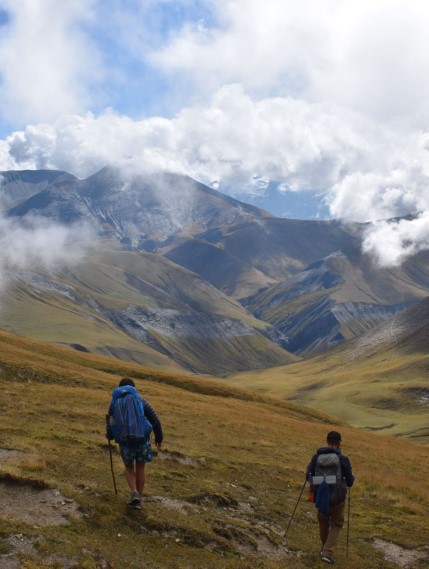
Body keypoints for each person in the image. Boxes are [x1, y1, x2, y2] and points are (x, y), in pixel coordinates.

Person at [106, 377, 163, 509]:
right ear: (134, 388)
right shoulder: (140, 400)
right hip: (142, 440)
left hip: (125, 443)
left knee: (129, 467)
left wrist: (109, 435)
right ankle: (139, 501)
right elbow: (155, 419)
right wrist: (159, 438)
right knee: (141, 467)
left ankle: (134, 492)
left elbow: (111, 422)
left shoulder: (114, 402)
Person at [306, 431, 354, 564]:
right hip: (337, 498)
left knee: (323, 521)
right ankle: (327, 553)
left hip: (321, 496)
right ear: (339, 443)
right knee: (337, 523)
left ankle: (324, 549)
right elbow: (350, 481)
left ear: (327, 441)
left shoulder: (316, 457)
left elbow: (308, 477)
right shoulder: (343, 459)